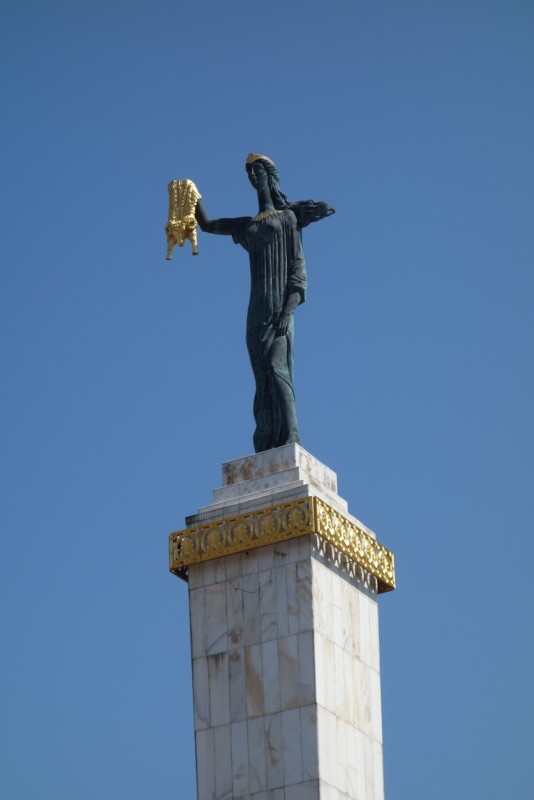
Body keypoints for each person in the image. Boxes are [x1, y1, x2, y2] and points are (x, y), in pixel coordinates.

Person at [195, 153, 334, 453]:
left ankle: (292, 437)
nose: (252, 177)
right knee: (261, 375)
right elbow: (207, 225)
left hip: (279, 309)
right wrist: (190, 194)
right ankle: (267, 440)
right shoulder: (248, 226)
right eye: (248, 173)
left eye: (257, 170)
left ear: (270, 176)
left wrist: (288, 310)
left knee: (277, 368)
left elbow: (298, 272)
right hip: (256, 311)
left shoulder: (288, 219)